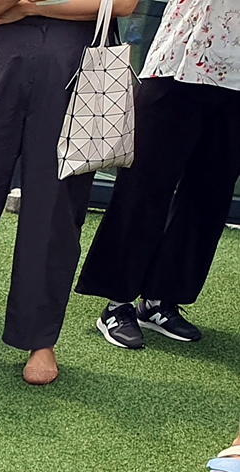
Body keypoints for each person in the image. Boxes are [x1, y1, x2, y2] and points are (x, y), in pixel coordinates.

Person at [0, 0, 136, 385]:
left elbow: (122, 5)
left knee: (57, 208)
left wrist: (27, 6)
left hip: (77, 66)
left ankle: (41, 340)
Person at [76, 0, 240, 350]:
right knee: (144, 185)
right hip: (180, 61)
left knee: (209, 196)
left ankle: (161, 299)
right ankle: (117, 303)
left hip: (237, 81)